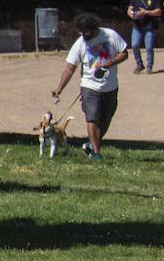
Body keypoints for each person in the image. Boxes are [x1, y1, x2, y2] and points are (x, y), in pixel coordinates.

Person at [51, 12, 129, 159]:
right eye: (81, 32)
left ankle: (90, 145)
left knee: (106, 118)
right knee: (92, 118)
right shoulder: (80, 44)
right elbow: (69, 68)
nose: (84, 35)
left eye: (86, 31)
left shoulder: (110, 35)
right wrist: (59, 88)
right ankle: (96, 152)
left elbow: (124, 53)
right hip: (89, 86)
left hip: (110, 86)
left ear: (94, 28)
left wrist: (111, 62)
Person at [127, 0, 163, 74]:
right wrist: (132, 15)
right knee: (134, 45)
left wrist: (146, 12)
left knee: (149, 47)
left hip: (149, 27)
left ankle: (149, 66)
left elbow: (159, 11)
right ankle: (139, 64)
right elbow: (129, 9)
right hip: (137, 26)